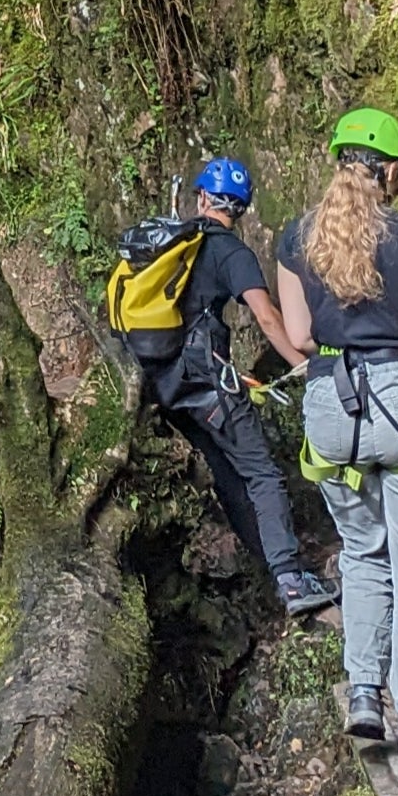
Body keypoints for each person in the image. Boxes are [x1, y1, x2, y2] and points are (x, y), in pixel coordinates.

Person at [277, 108, 398, 758]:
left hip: (333, 413)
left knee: (361, 554)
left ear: (338, 163)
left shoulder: (297, 239)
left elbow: (299, 338)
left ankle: (363, 694)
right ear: (389, 172)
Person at [145, 157, 339, 619]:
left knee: (229, 475)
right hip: (207, 386)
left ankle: (270, 571)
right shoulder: (231, 253)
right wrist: (306, 367)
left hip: (165, 387)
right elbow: (267, 318)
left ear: (201, 198)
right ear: (242, 209)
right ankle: (291, 580)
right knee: (262, 474)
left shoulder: (170, 245)